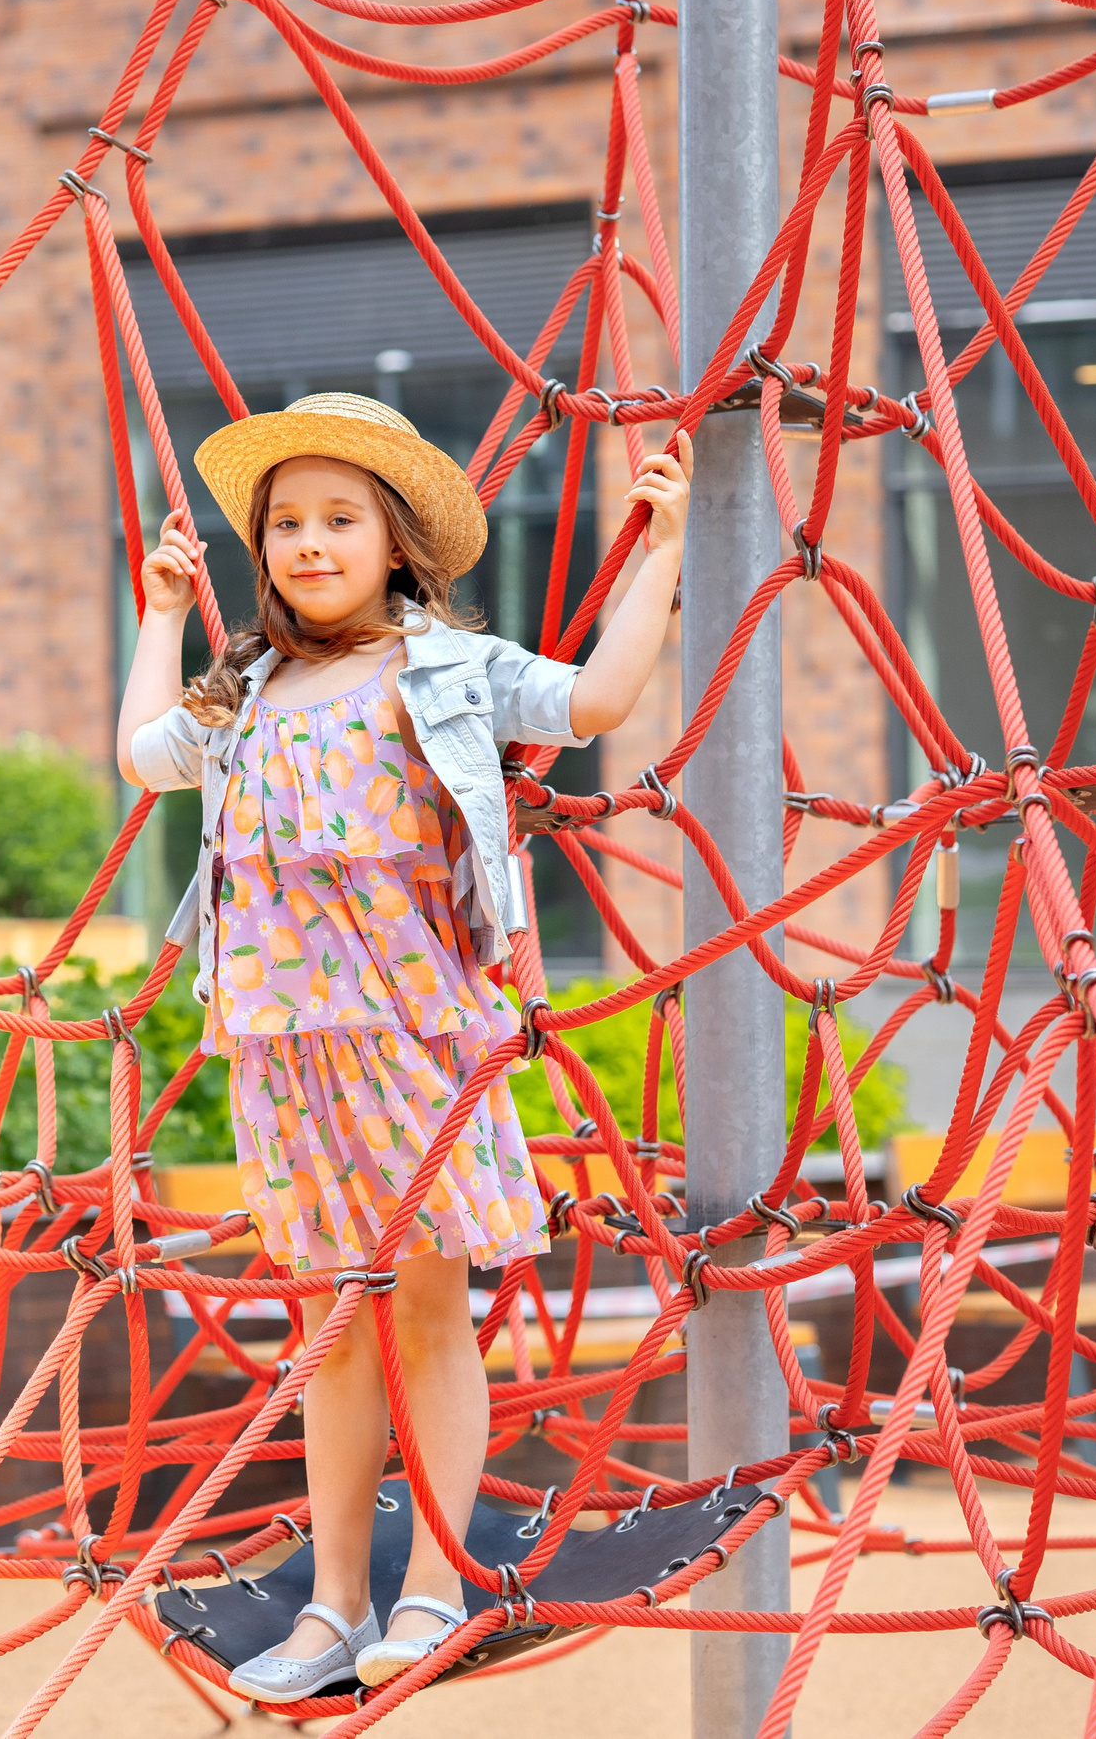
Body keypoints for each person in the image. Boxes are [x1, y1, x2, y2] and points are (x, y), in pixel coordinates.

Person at [115, 392, 689, 1698]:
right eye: (288, 525)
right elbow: (140, 758)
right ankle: (332, 1602)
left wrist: (658, 551)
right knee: (326, 1327)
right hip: (285, 1052)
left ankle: (433, 1581)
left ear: (394, 543)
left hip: (414, 1038)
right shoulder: (243, 695)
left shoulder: (443, 669)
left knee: (426, 1310)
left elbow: (596, 699)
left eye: (340, 520)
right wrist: (159, 613)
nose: (311, 544)